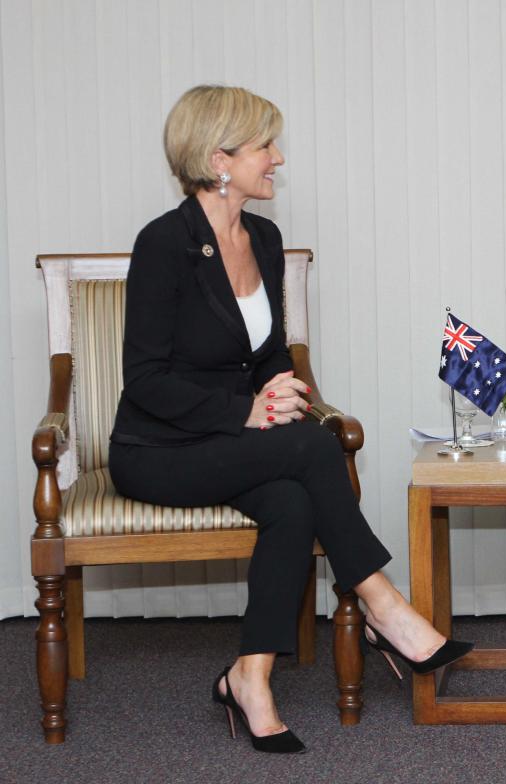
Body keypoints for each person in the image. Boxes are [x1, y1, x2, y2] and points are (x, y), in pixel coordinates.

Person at [108, 85, 472, 754]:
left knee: (292, 502)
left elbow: (271, 358)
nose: (277, 158)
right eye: (264, 146)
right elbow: (146, 381)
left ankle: (251, 675)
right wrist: (247, 409)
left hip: (232, 446)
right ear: (219, 159)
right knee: (310, 452)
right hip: (159, 449)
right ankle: (384, 607)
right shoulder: (164, 244)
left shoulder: (265, 239)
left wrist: (281, 395)